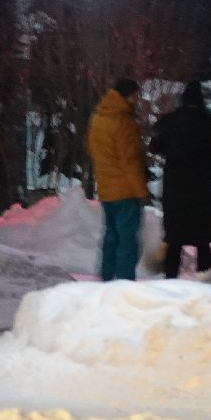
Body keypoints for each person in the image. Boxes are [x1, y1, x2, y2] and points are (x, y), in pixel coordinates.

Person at [150, 81, 211, 278]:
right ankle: (205, 277)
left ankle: (171, 278)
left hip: (175, 184)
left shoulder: (169, 122)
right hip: (201, 185)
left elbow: (155, 147)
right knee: (202, 239)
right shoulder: (209, 123)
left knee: (174, 237)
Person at [86, 77, 148, 281]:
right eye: (135, 96)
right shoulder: (124, 122)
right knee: (127, 241)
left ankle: (106, 277)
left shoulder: (98, 118)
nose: (137, 100)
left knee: (110, 237)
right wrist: (141, 192)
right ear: (126, 96)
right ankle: (124, 283)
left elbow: (92, 150)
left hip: (106, 189)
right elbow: (130, 162)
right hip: (126, 191)